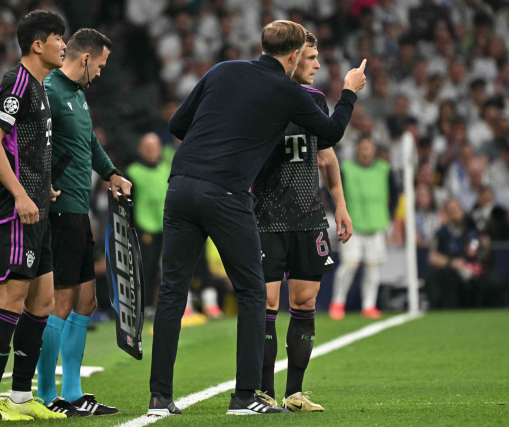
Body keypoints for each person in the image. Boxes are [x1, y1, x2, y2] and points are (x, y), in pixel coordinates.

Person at [148, 20, 366, 417]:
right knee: (252, 293)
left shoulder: (223, 69)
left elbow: (177, 125)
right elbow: (331, 133)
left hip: (179, 186)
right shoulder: (285, 91)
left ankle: (160, 397)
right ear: (294, 54)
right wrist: (349, 91)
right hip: (226, 193)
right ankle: (246, 395)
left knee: (173, 292)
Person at [0, 10, 68, 421]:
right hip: (15, 213)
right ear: (37, 44)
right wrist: (20, 195)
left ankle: (21, 395)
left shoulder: (42, 87)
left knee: (43, 301)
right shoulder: (17, 83)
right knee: (9, 300)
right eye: (59, 38)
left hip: (37, 210)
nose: (65, 44)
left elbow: (24, 147)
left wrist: (41, 187)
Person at [254, 31, 352, 413]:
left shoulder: (315, 101)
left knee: (305, 301)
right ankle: (261, 392)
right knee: (266, 303)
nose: (317, 65)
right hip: (265, 217)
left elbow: (326, 157)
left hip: (309, 217)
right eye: (310, 58)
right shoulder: (263, 98)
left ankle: (294, 392)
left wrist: (340, 206)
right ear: (292, 58)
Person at [36, 28, 130, 417]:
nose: (101, 74)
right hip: (58, 212)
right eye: (101, 66)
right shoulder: (51, 90)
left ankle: (73, 392)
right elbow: (24, 141)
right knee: (60, 302)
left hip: (79, 210)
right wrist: (41, 184)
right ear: (86, 59)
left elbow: (88, 144)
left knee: (87, 301)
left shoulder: (77, 96)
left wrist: (111, 173)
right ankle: (45, 394)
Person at [329, 137, 397, 320]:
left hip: (376, 224)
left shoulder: (384, 169)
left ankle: (369, 305)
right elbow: (332, 189)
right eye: (362, 147)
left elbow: (395, 193)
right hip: (353, 225)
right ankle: (337, 303)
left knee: (372, 267)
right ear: (357, 149)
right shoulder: (346, 169)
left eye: (369, 148)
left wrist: (388, 215)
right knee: (349, 265)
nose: (366, 151)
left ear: (374, 150)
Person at [125, 133, 170, 317]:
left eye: (155, 147)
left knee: (170, 268)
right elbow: (128, 202)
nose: (152, 152)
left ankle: (173, 305)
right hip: (145, 226)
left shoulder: (166, 169)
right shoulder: (132, 172)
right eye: (148, 148)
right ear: (140, 150)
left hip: (166, 225)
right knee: (147, 268)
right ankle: (145, 306)